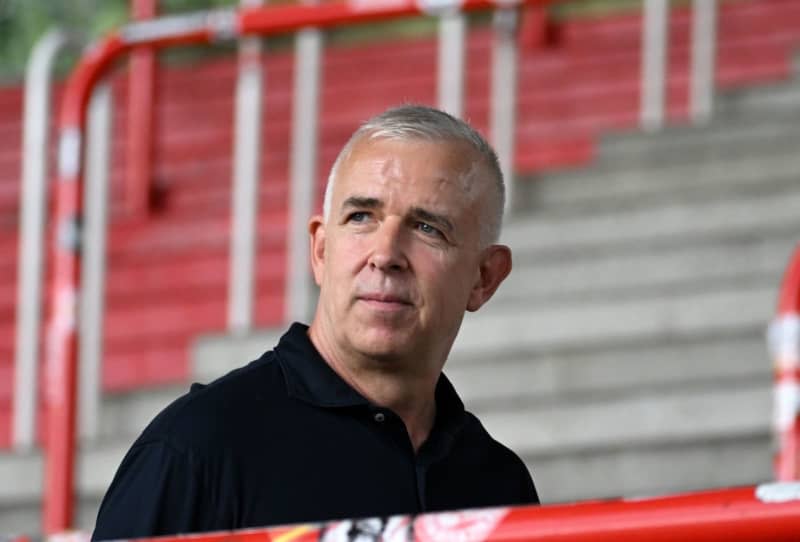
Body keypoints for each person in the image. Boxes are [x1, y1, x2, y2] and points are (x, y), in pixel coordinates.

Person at [91, 104, 539, 540]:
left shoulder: (499, 484)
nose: (384, 255)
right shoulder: (196, 451)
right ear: (321, 250)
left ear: (484, 278)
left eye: (427, 228)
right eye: (361, 217)